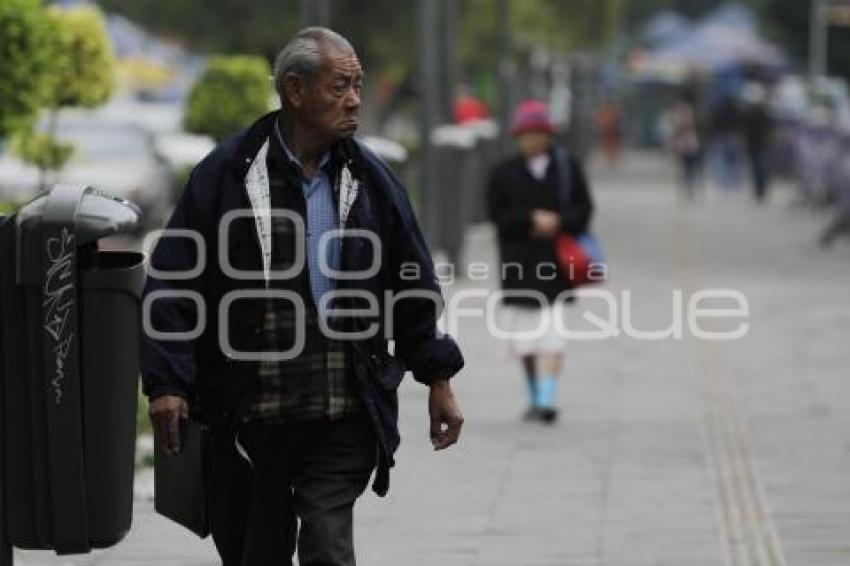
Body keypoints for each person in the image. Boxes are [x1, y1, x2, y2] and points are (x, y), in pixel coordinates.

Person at [141, 27, 465, 566]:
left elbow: (412, 286)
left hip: (343, 408)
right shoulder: (227, 176)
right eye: (340, 86)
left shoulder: (372, 180)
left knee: (328, 548)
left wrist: (439, 379)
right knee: (255, 553)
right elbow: (173, 281)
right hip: (250, 412)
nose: (355, 99)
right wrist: (166, 383)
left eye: (358, 85)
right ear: (295, 90)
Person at [486, 99, 594, 424]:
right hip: (519, 266)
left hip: (556, 266)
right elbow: (496, 214)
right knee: (526, 341)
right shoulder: (503, 172)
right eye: (527, 134)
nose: (533, 140)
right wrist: (531, 219)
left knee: (553, 335)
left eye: (538, 133)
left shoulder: (566, 168)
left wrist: (559, 221)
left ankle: (547, 398)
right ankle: (534, 392)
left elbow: (584, 209)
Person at [664, 94, 703, 198]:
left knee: (689, 167)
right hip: (684, 144)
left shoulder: (687, 113)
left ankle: (690, 187)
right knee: (686, 167)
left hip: (689, 144)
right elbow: (675, 130)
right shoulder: (679, 113)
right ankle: (688, 188)